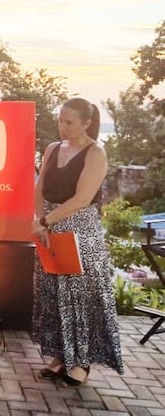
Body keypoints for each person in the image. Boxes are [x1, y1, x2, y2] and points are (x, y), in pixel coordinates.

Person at [32, 97, 124, 387]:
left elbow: (82, 198)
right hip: (49, 227)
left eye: (69, 122)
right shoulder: (52, 149)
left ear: (87, 123)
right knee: (53, 295)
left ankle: (80, 363)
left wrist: (47, 221)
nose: (63, 127)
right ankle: (60, 356)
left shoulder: (96, 153)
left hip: (79, 230)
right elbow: (40, 187)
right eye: (61, 120)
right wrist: (40, 221)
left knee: (79, 297)